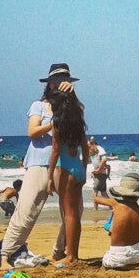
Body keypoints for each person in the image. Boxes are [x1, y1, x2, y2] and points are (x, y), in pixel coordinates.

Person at [0, 64, 78, 271]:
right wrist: (53, 124)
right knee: (27, 210)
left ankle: (59, 251)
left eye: (67, 81)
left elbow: (79, 127)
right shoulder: (39, 106)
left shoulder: (72, 106)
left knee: (73, 211)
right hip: (39, 163)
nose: (64, 84)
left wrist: (71, 100)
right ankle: (5, 254)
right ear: (50, 84)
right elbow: (32, 132)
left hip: (64, 165)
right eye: (60, 80)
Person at [47, 87, 90, 265]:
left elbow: (56, 151)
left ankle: (70, 256)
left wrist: (49, 177)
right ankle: (74, 253)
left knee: (69, 215)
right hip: (78, 168)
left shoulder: (57, 123)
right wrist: (84, 167)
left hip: (66, 170)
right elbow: (86, 148)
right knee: (74, 214)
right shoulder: (78, 122)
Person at [93, 172, 139, 271]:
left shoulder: (115, 204)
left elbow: (95, 199)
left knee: (106, 262)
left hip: (116, 255)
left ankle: (115, 267)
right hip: (136, 254)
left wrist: (96, 186)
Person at [89, 137, 110, 208]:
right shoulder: (93, 150)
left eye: (89, 145)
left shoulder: (100, 149)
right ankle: (112, 206)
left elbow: (104, 160)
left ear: (93, 144)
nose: (88, 147)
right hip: (99, 174)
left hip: (100, 174)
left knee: (95, 193)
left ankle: (95, 210)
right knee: (103, 193)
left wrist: (98, 170)